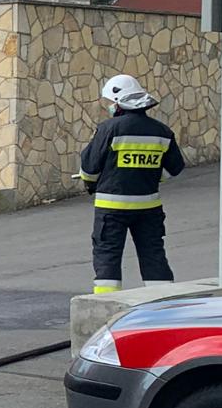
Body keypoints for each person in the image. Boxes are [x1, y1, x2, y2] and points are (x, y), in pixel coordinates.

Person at [77, 74, 184, 294]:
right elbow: (175, 168)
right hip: (148, 208)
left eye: (110, 103)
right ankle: (162, 304)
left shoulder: (109, 129)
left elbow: (89, 168)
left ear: (118, 103)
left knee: (108, 256)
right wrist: (150, 176)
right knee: (153, 255)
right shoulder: (162, 132)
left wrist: (91, 183)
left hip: (111, 208)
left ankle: (107, 306)